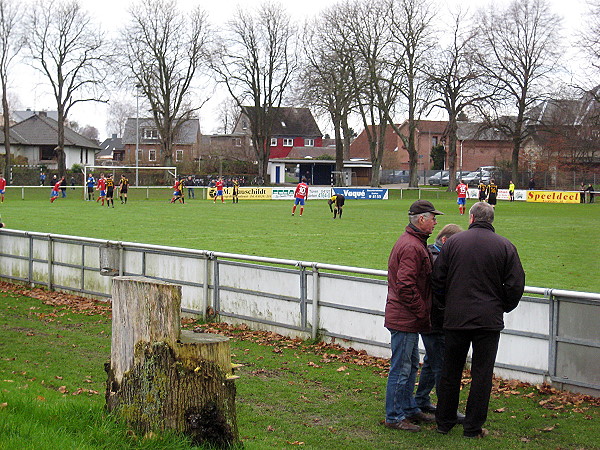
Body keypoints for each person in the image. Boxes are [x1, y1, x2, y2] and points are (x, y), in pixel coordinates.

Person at [432, 202, 525, 439]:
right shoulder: (505, 246)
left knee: (450, 371)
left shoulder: (452, 243)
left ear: (471, 218)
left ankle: (444, 421)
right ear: (491, 220)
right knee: (482, 374)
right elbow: (515, 284)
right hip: (488, 320)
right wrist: (502, 307)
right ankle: (472, 427)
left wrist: (446, 305)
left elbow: (438, 280)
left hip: (456, 318)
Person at [384, 200, 443, 432]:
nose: (435, 223)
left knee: (410, 366)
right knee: (402, 368)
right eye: (433, 218)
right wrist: (422, 312)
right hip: (405, 318)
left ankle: (408, 409)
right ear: (421, 219)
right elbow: (406, 286)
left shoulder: (414, 243)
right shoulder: (412, 246)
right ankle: (395, 415)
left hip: (406, 316)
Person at [415, 224, 464, 419]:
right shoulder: (437, 259)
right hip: (436, 319)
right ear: (445, 241)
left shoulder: (434, 255)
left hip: (433, 318)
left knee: (431, 360)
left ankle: (421, 400)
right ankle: (447, 410)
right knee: (441, 365)